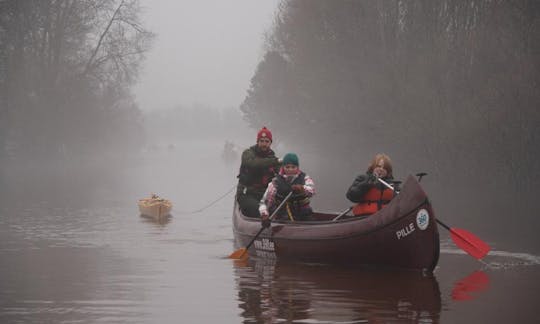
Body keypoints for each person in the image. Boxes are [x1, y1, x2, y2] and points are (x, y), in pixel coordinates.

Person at [236, 127, 281, 218]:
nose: (264, 144)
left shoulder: (273, 159)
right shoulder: (247, 154)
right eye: (262, 141)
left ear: (270, 143)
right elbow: (253, 163)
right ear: (257, 141)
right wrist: (276, 161)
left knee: (279, 210)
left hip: (265, 195)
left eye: (267, 141)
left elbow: (282, 175)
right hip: (247, 194)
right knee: (259, 210)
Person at [259, 153, 315, 226]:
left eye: (293, 167)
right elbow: (264, 202)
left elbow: (312, 190)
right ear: (283, 167)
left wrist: (302, 188)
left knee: (309, 219)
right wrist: (264, 215)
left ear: (297, 167)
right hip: (283, 215)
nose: (290, 170)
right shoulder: (275, 182)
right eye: (287, 167)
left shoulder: (305, 178)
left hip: (304, 214)